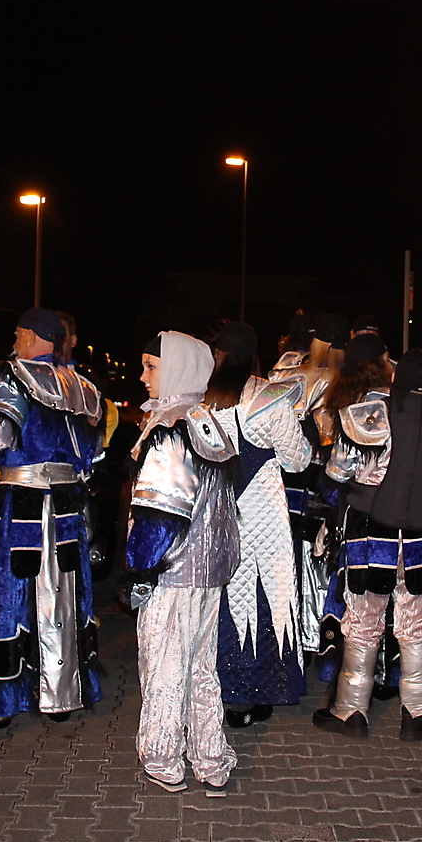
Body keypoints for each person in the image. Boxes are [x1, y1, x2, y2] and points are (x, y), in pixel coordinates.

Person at [312, 341, 422, 740]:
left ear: (394, 378)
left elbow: (337, 473)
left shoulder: (363, 416)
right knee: (415, 624)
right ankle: (419, 713)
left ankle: (350, 711)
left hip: (368, 531)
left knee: (363, 620)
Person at [0, 308, 104, 725]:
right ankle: (60, 694)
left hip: (18, 504)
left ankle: (0, 699)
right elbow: (94, 454)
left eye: (19, 333)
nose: (15, 340)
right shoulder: (84, 387)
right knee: (62, 593)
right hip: (65, 506)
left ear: (33, 336)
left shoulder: (16, 376)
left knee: (5, 596)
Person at [127, 331, 241, 795]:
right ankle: (210, 757)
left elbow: (160, 513)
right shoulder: (205, 421)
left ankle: (163, 756)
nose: (143, 376)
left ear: (177, 368)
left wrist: (140, 569)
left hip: (172, 569)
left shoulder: (171, 429)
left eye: (152, 366)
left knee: (164, 665)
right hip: (208, 569)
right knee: (200, 666)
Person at [205, 322, 313, 728]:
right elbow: (297, 460)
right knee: (264, 596)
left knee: (220, 594)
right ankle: (255, 690)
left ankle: (213, 684)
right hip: (262, 512)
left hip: (215, 509)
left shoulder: (203, 398)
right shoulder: (270, 397)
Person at [270, 312, 349, 658]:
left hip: (291, 475)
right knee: (323, 552)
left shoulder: (289, 374)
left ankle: (290, 633)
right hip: (329, 477)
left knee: (292, 553)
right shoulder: (349, 379)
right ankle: (321, 633)